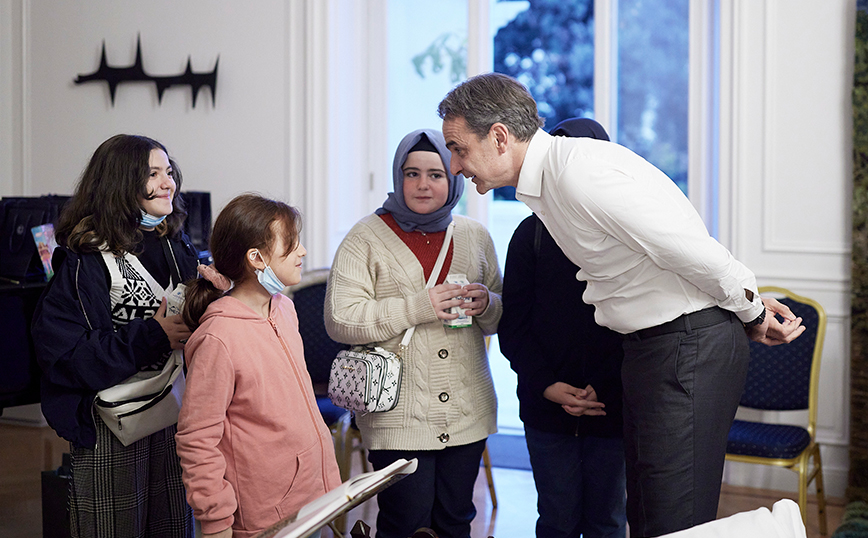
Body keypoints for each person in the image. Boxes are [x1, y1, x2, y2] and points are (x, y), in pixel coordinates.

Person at [437, 73, 806, 538]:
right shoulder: (551, 184)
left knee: (676, 524)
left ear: (499, 136)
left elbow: (689, 248)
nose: (454, 165)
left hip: (684, 345)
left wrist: (749, 308)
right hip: (657, 348)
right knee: (649, 517)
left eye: (458, 148)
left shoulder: (577, 174)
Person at [324, 128, 502, 538]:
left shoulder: (475, 236)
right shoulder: (364, 238)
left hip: (466, 411)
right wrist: (418, 307)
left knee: (457, 520)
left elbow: (500, 316)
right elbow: (339, 319)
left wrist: (486, 304)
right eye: (412, 173)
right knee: (406, 521)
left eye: (436, 174)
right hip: (396, 413)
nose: (423, 184)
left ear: (454, 177)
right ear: (397, 177)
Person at [32, 134, 198, 537]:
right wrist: (153, 336)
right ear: (121, 183)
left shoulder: (175, 245)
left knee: (174, 527)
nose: (168, 183)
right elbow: (68, 358)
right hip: (111, 425)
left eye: (169, 172)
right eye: (153, 174)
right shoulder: (83, 260)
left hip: (174, 414)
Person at [176, 193, 341, 538]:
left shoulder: (284, 308)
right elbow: (198, 440)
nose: (303, 252)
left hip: (314, 499)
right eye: (292, 244)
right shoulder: (218, 338)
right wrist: (216, 522)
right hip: (267, 516)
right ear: (257, 258)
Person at [498, 118, 626, 538]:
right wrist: (549, 385)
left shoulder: (628, 236)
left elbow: (643, 328)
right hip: (545, 408)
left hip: (615, 410)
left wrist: (601, 391)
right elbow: (513, 328)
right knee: (557, 520)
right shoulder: (529, 236)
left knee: (607, 521)